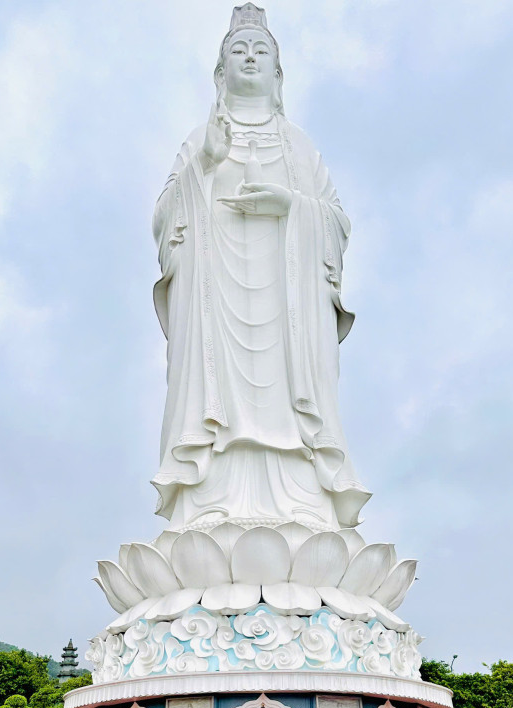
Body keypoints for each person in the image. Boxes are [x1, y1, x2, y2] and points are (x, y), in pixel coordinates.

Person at [151, 4, 369, 532]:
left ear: (278, 73)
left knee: (289, 407)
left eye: (260, 51)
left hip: (287, 311)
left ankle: (304, 504)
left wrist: (291, 206)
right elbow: (164, 222)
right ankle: (209, 503)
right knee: (217, 401)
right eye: (238, 51)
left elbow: (337, 221)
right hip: (216, 306)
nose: (249, 58)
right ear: (220, 73)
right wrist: (204, 164)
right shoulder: (197, 142)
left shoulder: (299, 146)